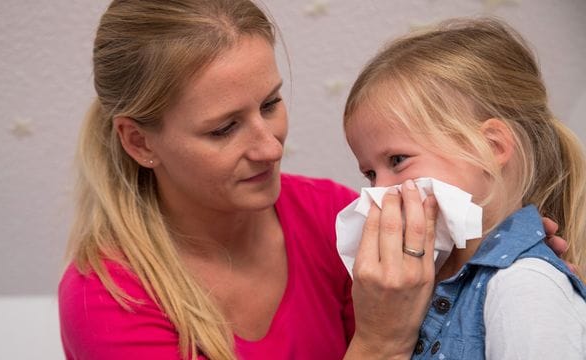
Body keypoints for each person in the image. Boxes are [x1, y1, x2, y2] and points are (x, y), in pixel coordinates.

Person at [57, 1, 568, 359]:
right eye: (224, 128)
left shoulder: (331, 218)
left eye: (270, 104)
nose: (271, 146)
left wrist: (482, 273)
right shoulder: (105, 300)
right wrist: (379, 343)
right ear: (140, 142)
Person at [343, 17, 586, 359]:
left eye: (397, 160)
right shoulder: (421, 291)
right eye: (369, 173)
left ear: (491, 147)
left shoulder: (524, 288)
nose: (380, 192)